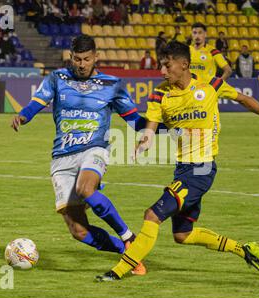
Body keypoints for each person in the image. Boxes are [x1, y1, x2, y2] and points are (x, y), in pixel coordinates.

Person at [96, 41, 259, 282]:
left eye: (167, 65)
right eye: (161, 66)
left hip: (202, 169)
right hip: (183, 169)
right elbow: (151, 125)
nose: (162, 71)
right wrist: (146, 140)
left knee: (152, 215)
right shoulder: (160, 94)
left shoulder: (210, 85)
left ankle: (118, 272)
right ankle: (244, 250)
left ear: (184, 65)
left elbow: (243, 99)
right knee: (182, 234)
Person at [10, 34, 168, 275]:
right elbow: (37, 102)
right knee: (78, 231)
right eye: (76, 59)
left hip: (94, 148)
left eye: (86, 59)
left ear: (96, 57)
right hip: (62, 156)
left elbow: (135, 121)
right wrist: (23, 115)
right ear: (71, 58)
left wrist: (168, 127)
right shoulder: (57, 78)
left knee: (86, 189)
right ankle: (127, 253)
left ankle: (128, 236)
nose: (81, 64)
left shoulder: (112, 85)